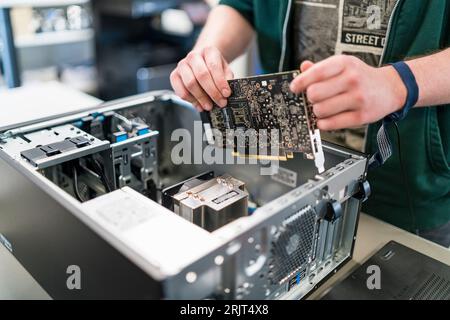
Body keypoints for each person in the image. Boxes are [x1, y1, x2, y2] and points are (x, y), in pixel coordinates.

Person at [170, 0, 450, 247]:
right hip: (283, 180)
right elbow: (244, 5)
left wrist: (398, 83)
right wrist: (207, 55)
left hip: (406, 195)